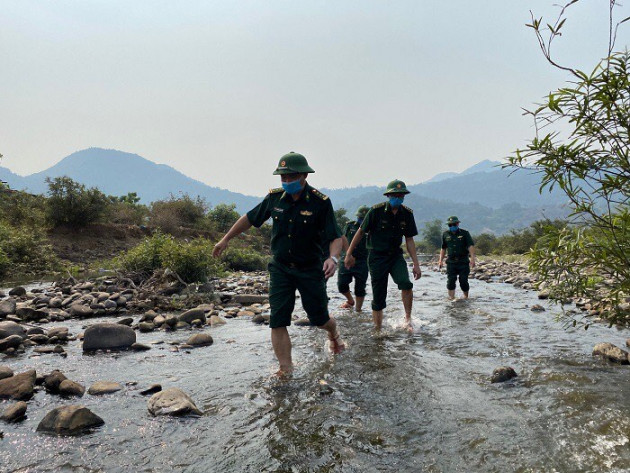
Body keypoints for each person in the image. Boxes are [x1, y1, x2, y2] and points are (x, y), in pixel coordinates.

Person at [213, 152, 345, 375]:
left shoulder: (320, 202)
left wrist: (333, 258)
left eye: (290, 177)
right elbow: (249, 218)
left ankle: (334, 333)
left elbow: (335, 236)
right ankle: (286, 368)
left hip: (311, 269)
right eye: (282, 178)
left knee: (319, 318)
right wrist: (226, 238)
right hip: (281, 268)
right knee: (278, 319)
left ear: (303, 175)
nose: (286, 182)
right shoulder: (274, 198)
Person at [345, 180, 421, 331]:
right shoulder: (375, 211)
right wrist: (349, 253)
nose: (398, 198)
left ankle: (407, 319)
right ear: (388, 195)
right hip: (377, 257)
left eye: (401, 195)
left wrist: (416, 264)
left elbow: (409, 240)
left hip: (396, 256)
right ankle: (378, 329)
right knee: (379, 294)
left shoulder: (407, 214)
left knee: (406, 283)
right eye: (395, 195)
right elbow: (360, 232)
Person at [337, 205, 370, 311]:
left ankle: (358, 310)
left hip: (362, 261)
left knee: (360, 287)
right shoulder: (350, 226)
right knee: (341, 284)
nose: (361, 220)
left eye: (363, 218)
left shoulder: (372, 229)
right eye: (360, 218)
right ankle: (350, 300)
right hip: (346, 258)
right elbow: (342, 239)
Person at [438, 216, 476, 299]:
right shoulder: (445, 234)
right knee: (451, 281)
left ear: (458, 224)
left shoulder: (465, 233)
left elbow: (470, 246)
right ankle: (451, 299)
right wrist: (440, 260)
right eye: (450, 225)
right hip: (451, 262)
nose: (452, 226)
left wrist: (472, 258)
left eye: (454, 224)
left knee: (463, 281)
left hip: (463, 261)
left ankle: (466, 297)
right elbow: (443, 248)